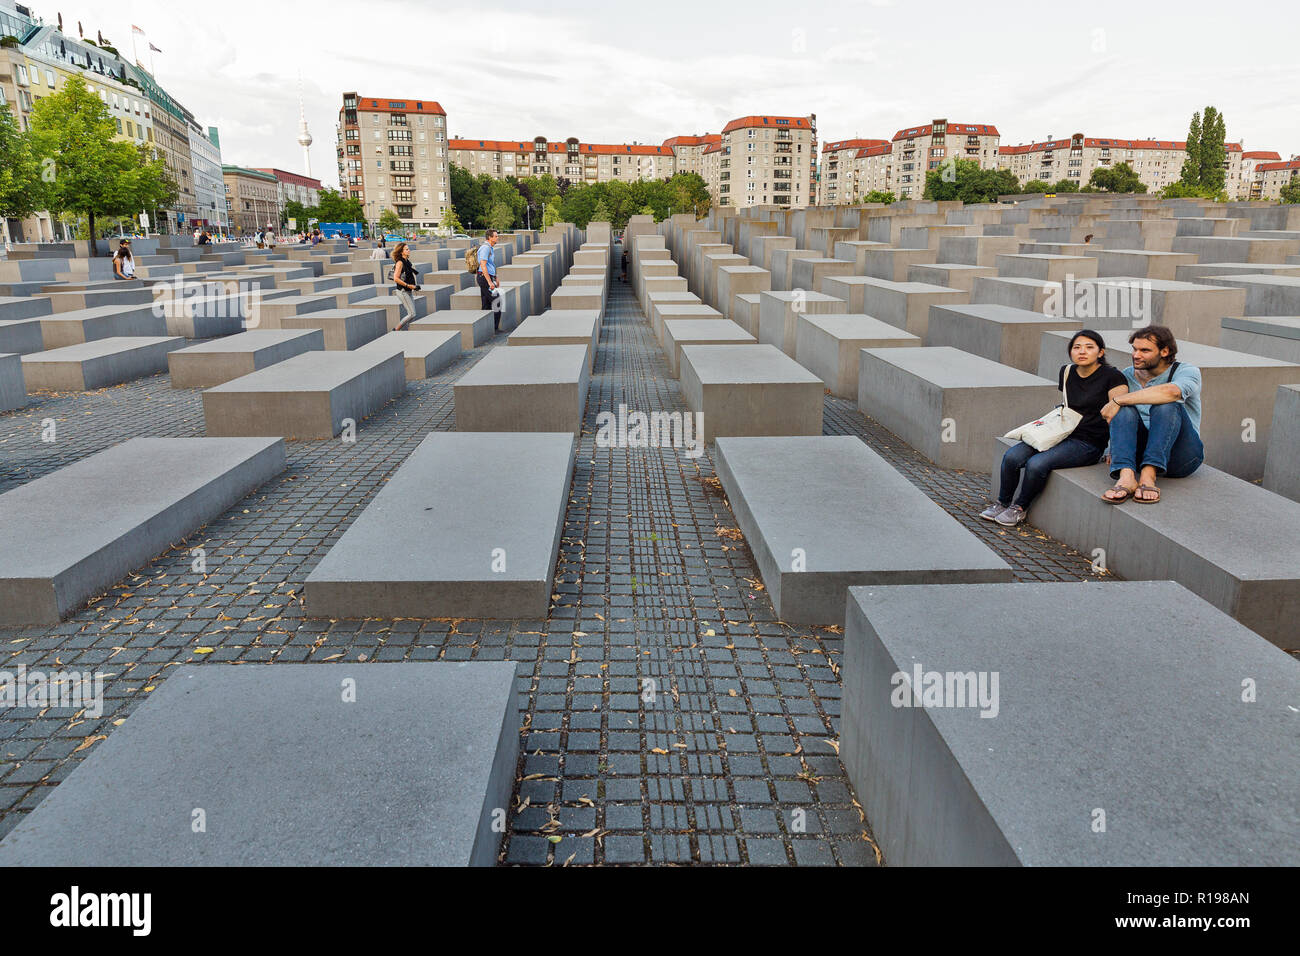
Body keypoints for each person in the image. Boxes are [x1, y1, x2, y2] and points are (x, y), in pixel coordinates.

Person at [981, 330, 1129, 526]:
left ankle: (1020, 508)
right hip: (1061, 433)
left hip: (1088, 442)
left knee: (1037, 464)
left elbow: (1119, 416)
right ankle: (1002, 503)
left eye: (1089, 347)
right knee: (1012, 457)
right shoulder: (1066, 371)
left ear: (1101, 353)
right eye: (1077, 347)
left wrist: (1114, 451)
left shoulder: (1113, 377)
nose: (1082, 351)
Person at [1100, 325, 1204, 504]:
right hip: (1138, 454)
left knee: (1166, 405)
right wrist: (1112, 449)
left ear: (1164, 351)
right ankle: (1126, 477)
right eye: (1134, 349)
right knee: (1123, 408)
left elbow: (1172, 392)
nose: (1136, 355)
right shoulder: (1127, 375)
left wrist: (1119, 400)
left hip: (1181, 456)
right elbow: (1118, 416)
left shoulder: (1186, 371)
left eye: (1144, 350)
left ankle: (1148, 476)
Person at [390, 241, 420, 331]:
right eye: (406, 249)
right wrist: (408, 285)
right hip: (402, 291)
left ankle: (408, 332)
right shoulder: (400, 263)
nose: (409, 250)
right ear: (401, 252)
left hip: (408, 290)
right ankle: (396, 329)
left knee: (412, 315)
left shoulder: (407, 261)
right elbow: (396, 278)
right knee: (412, 314)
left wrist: (414, 286)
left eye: (408, 249)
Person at [477, 228, 502, 331]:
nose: (497, 238)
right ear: (490, 237)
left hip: (487, 277)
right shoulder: (485, 248)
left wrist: (495, 277)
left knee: (486, 305)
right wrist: (490, 282)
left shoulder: (490, 248)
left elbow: (490, 264)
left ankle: (486, 331)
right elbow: (483, 265)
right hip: (484, 278)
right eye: (496, 236)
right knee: (497, 302)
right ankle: (494, 329)